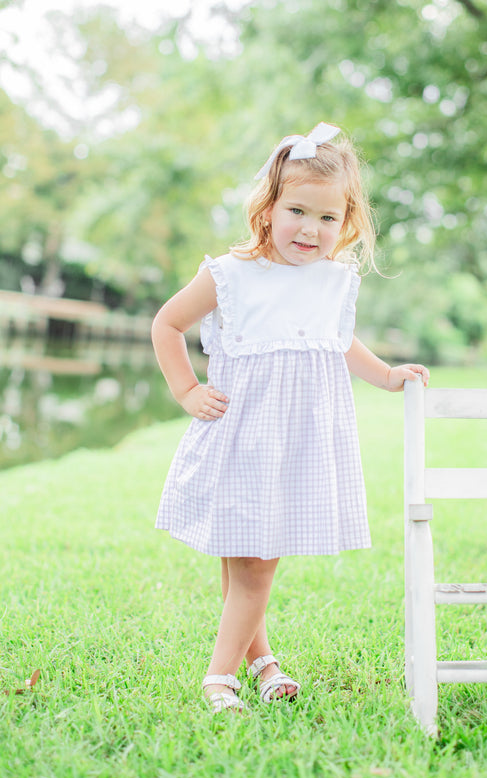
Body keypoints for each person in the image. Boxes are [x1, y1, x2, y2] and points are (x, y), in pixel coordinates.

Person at [151, 122, 429, 713]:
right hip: (241, 438)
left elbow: (338, 342)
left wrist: (385, 375)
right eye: (297, 210)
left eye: (328, 218)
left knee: (248, 558)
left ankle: (262, 661)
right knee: (251, 561)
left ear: (347, 220)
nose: (311, 229)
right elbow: (167, 324)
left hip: (295, 443)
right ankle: (220, 677)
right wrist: (185, 390)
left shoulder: (335, 280)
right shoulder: (232, 273)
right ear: (269, 207)